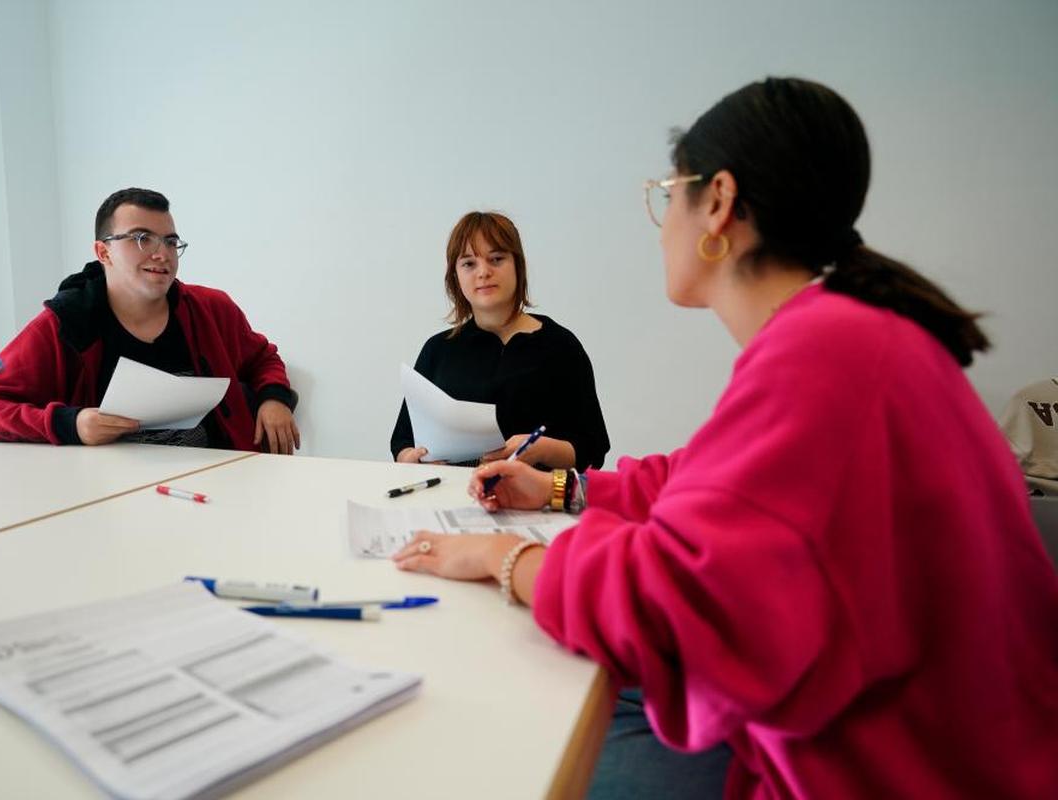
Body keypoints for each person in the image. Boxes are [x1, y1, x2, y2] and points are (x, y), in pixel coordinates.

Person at [391, 78, 1058, 798]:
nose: (661, 221)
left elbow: (666, 609)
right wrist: (566, 487)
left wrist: (503, 557)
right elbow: (707, 476)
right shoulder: (848, 331)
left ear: (718, 202)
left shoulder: (827, 357)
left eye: (666, 192)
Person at [0, 188, 300, 453]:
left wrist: (274, 399)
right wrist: (69, 424)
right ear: (103, 252)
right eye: (141, 238)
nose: (161, 253)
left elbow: (263, 358)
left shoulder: (211, 308)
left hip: (217, 484)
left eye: (170, 240)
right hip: (110, 498)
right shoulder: (64, 325)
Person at [390, 211, 610, 471]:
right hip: (450, 496)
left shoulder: (560, 346)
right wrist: (410, 458)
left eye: (496, 259)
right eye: (469, 263)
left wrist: (543, 450)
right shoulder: (438, 349)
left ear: (518, 266)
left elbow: (593, 448)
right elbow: (402, 441)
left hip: (535, 504)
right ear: (455, 276)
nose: (483, 272)